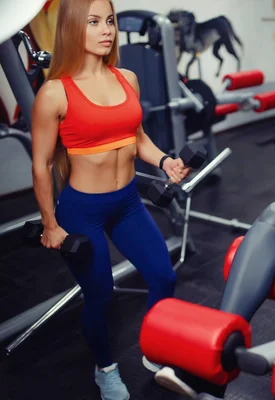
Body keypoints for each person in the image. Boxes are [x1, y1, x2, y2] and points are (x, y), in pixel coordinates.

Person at [30, 0, 192, 399]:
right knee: (101, 295)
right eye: (94, 22)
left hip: (127, 204)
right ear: (72, 29)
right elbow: (42, 164)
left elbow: (137, 140)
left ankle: (155, 352)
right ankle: (105, 370)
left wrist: (166, 160)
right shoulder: (54, 92)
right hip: (81, 211)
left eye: (110, 20)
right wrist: (51, 224)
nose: (106, 29)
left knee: (163, 276)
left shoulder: (127, 79)